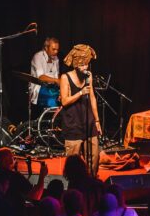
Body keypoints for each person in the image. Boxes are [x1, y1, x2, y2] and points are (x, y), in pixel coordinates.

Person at [59, 44, 101, 176]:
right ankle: (75, 186)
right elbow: (65, 101)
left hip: (88, 121)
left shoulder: (89, 76)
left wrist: (97, 121)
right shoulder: (65, 77)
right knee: (74, 162)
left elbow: (93, 98)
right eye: (82, 65)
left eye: (86, 64)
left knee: (94, 157)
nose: (85, 67)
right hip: (73, 123)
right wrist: (81, 93)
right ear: (76, 65)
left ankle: (92, 183)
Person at [30, 37, 61, 118]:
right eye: (53, 49)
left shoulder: (56, 59)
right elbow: (41, 77)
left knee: (64, 98)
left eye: (57, 50)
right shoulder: (38, 56)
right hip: (39, 88)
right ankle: (51, 124)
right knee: (53, 101)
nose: (56, 52)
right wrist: (56, 80)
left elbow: (57, 77)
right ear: (46, 48)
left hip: (52, 88)